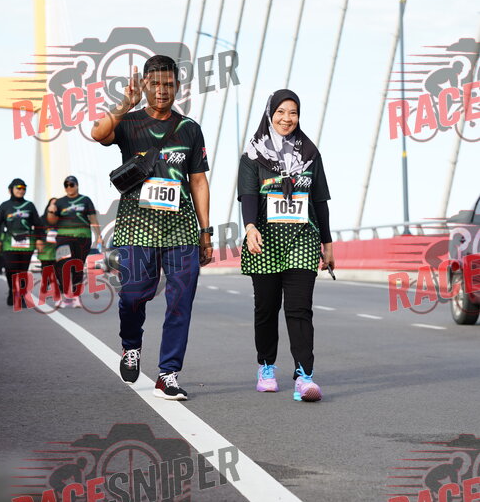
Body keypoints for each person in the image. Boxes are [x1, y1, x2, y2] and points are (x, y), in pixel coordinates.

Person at [91, 55, 212, 400]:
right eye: (155, 84)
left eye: (169, 84)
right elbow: (98, 133)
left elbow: (198, 181)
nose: (162, 90)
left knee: (180, 301)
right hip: (137, 227)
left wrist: (205, 232)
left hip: (181, 229)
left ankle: (168, 373)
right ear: (145, 85)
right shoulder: (128, 123)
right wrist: (123, 105)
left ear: (178, 87)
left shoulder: (189, 129)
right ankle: (131, 345)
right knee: (133, 295)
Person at [237, 90, 334, 402]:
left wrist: (327, 242)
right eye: (280, 112)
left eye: (293, 112)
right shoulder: (252, 155)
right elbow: (248, 195)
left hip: (302, 239)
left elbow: (320, 201)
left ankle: (304, 377)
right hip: (264, 239)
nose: (287, 118)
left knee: (299, 309)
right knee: (266, 308)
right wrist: (250, 226)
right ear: (270, 114)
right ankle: (266, 367)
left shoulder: (311, 154)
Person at [46, 178, 100, 308]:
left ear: (77, 185)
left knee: (78, 266)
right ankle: (64, 293)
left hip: (83, 237)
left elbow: (93, 218)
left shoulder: (85, 200)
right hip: (63, 238)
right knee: (62, 265)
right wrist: (51, 210)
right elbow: (51, 221)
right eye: (66, 185)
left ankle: (76, 296)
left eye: (71, 184)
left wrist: (99, 236)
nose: (69, 187)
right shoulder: (59, 202)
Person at [0, 179, 41, 306]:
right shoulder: (4, 206)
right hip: (9, 243)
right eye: (18, 188)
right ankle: (12, 291)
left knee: (23, 270)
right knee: (10, 269)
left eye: (23, 188)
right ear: (11, 190)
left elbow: (38, 223)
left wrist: (39, 239)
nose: (21, 190)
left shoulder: (29, 205)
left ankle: (21, 296)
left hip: (27, 243)